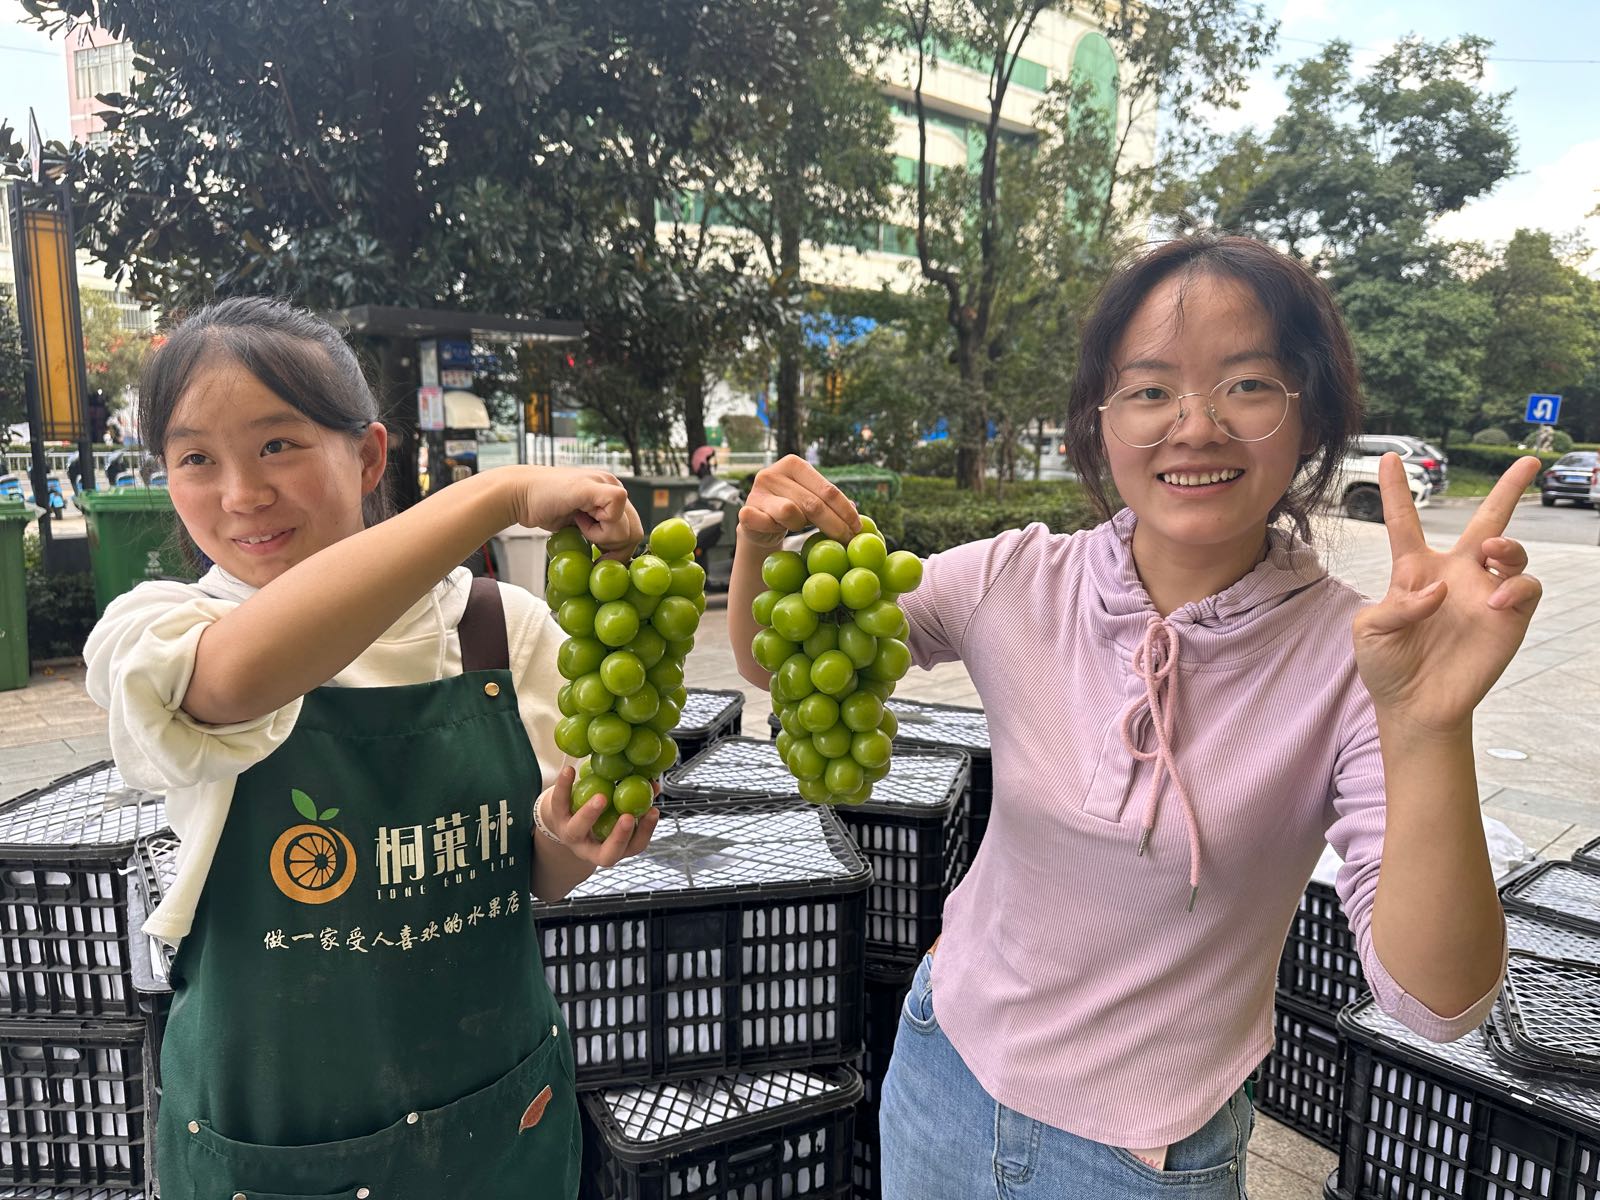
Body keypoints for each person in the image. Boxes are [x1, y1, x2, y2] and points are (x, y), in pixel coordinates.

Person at [727, 233, 1541, 1198]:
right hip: (940, 1074)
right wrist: (755, 548)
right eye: (1150, 390)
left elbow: (1437, 1002)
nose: (1194, 427)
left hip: (1142, 1160)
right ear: (1100, 420)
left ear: (1309, 414)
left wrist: (1428, 724)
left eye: (1247, 384)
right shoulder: (1012, 577)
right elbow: (783, 670)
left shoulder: (1359, 658)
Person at [84, 297, 659, 1200]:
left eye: (278, 444)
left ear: (369, 455)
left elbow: (531, 876)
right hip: (272, 1143)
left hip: (492, 1118)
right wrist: (493, 497)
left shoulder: (497, 630)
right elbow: (235, 683)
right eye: (196, 458)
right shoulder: (163, 633)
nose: (241, 494)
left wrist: (567, 843)